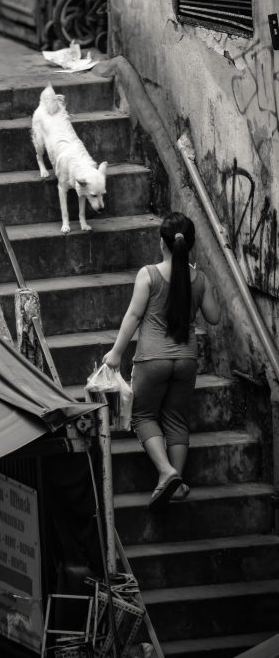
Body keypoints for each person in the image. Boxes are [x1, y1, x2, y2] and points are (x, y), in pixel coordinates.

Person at [102, 211, 220, 511]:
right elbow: (214, 316)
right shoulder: (200, 279)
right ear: (190, 245)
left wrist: (116, 353)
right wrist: (202, 283)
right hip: (186, 360)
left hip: (152, 358)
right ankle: (176, 484)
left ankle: (166, 473)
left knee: (142, 416)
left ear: (162, 243)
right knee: (176, 418)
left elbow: (133, 316)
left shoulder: (149, 274)